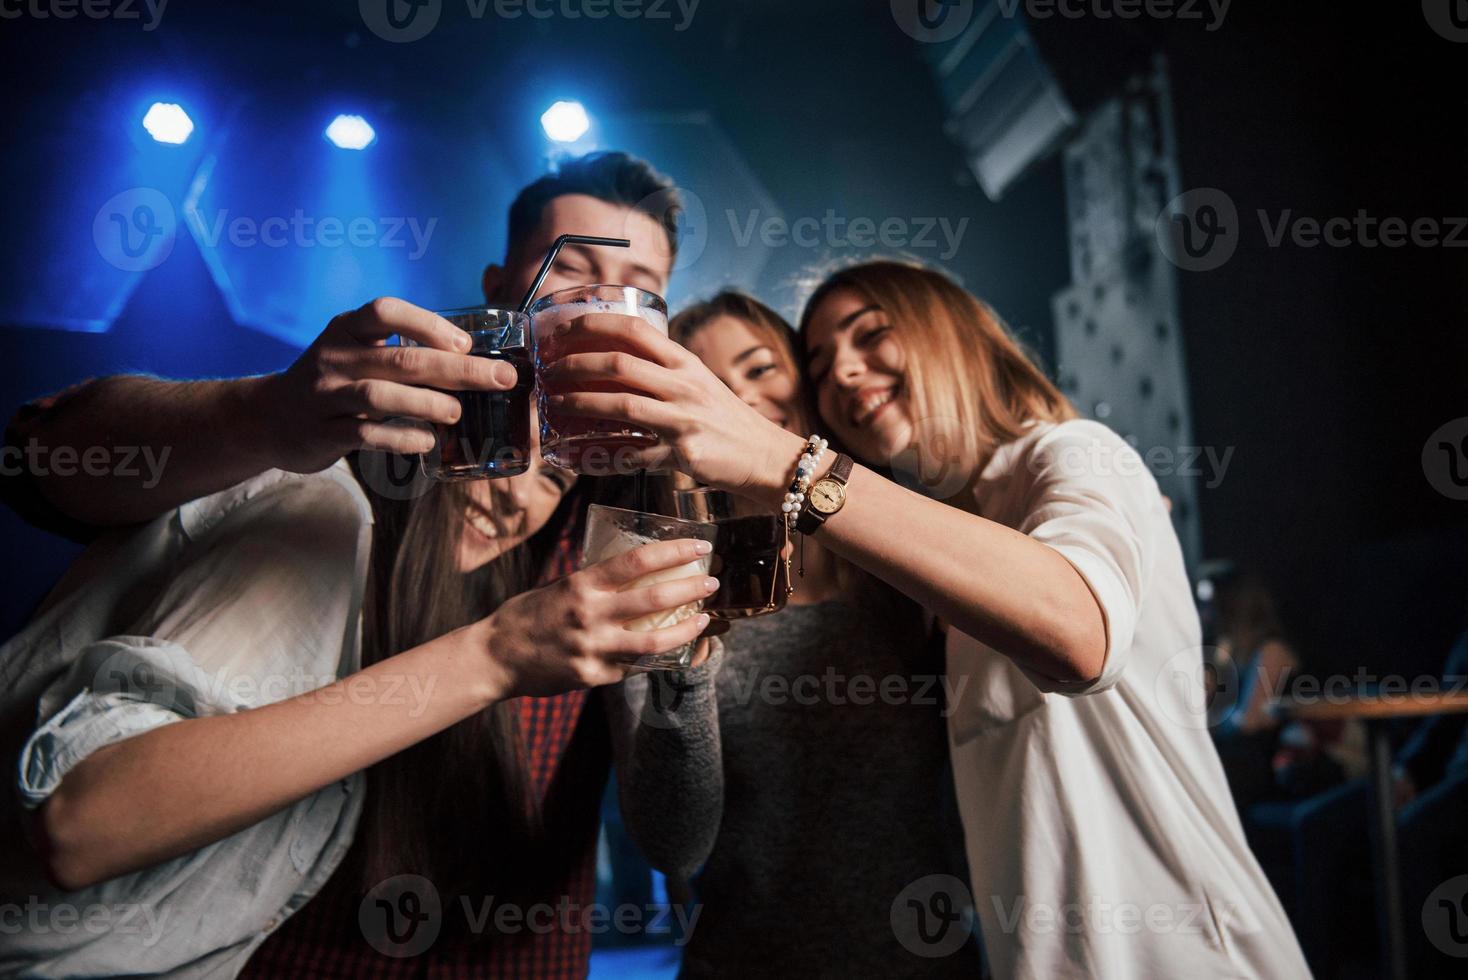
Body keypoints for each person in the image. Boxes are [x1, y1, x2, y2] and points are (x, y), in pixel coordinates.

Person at [0, 152, 712, 977]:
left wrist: (683, 677)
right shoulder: (368, 445)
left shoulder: (637, 514)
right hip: (293, 957)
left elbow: (677, 836)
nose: (599, 308)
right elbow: (40, 461)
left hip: (517, 961)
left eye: (637, 289)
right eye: (573, 273)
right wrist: (267, 412)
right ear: (501, 284)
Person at [542, 258, 1312, 977]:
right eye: (820, 360)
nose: (843, 370)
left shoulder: (1066, 458)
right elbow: (675, 843)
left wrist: (784, 466)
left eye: (872, 335)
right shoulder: (935, 534)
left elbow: (1080, 634)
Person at [608, 291, 979, 975]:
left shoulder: (900, 565)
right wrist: (683, 663)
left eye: (758, 369)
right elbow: (673, 844)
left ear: (806, 387)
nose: (736, 401)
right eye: (711, 384)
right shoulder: (665, 591)